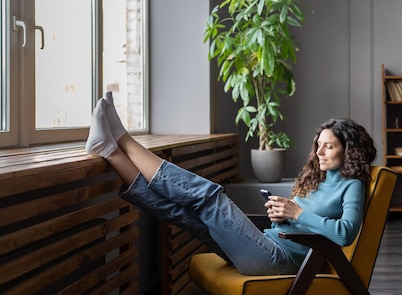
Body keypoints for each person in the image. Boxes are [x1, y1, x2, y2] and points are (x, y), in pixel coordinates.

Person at [85, 92, 377, 276]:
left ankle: (123, 138)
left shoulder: (352, 185)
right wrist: (280, 216)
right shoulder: (317, 178)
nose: (319, 152)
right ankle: (108, 150)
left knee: (211, 197)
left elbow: (345, 234)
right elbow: (302, 223)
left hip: (278, 260)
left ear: (348, 150)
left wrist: (297, 214)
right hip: (266, 245)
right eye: (318, 145)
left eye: (329, 146)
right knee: (184, 214)